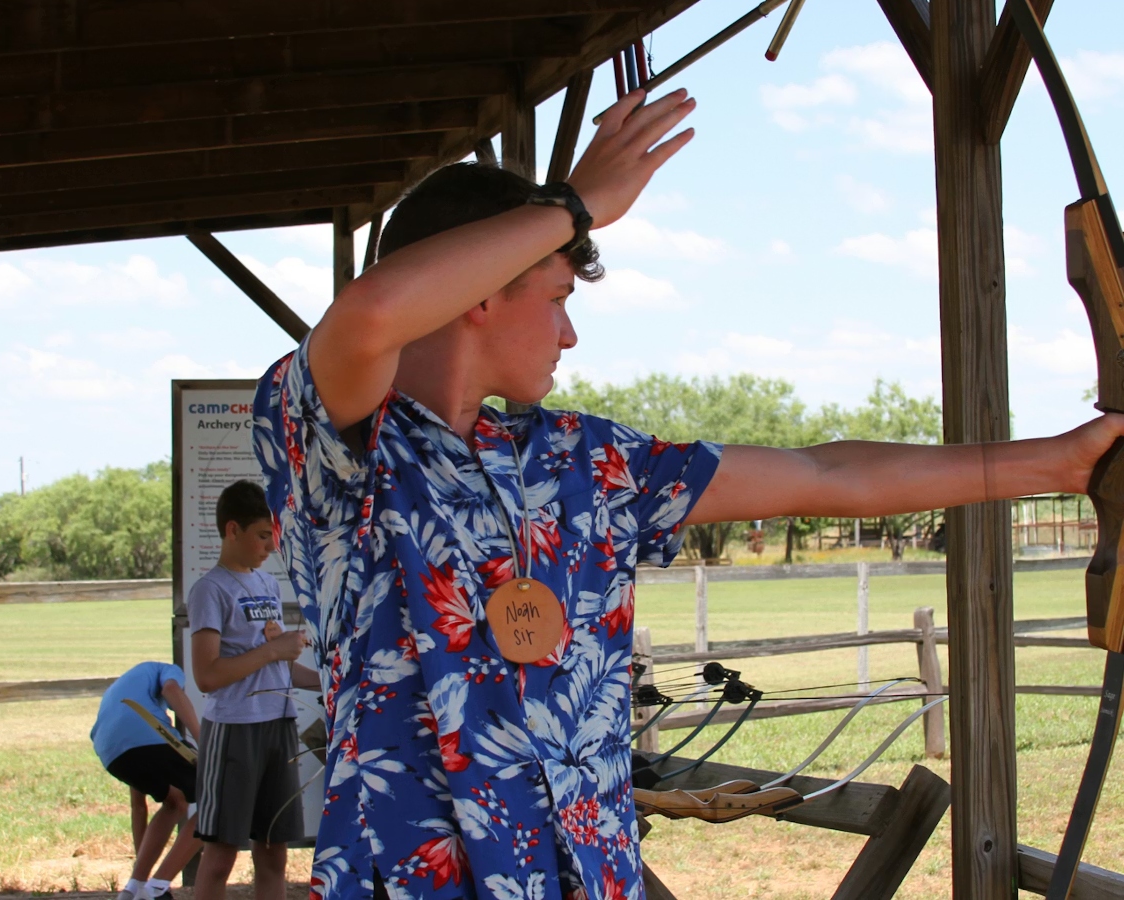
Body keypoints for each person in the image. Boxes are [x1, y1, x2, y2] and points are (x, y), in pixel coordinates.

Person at [251, 87, 1124, 900]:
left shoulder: (587, 459)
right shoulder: (341, 442)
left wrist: (1063, 462)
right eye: (555, 294)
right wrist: (570, 206)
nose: (569, 330)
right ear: (479, 292)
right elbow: (368, 317)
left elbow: (826, 474)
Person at [187, 479, 320, 900]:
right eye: (263, 536)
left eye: (274, 537)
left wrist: (327, 682)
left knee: (274, 852)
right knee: (221, 855)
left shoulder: (267, 586)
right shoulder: (211, 589)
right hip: (234, 731)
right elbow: (207, 676)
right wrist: (272, 651)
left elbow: (278, 666)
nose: (269, 547)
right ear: (232, 530)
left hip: (278, 725)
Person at [90, 661, 202, 900]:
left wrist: (138, 873)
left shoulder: (123, 694)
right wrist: (204, 742)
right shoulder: (165, 669)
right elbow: (172, 690)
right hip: (151, 735)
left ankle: (135, 888)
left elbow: (138, 808)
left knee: (175, 803)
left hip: (110, 750)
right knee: (219, 800)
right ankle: (157, 887)